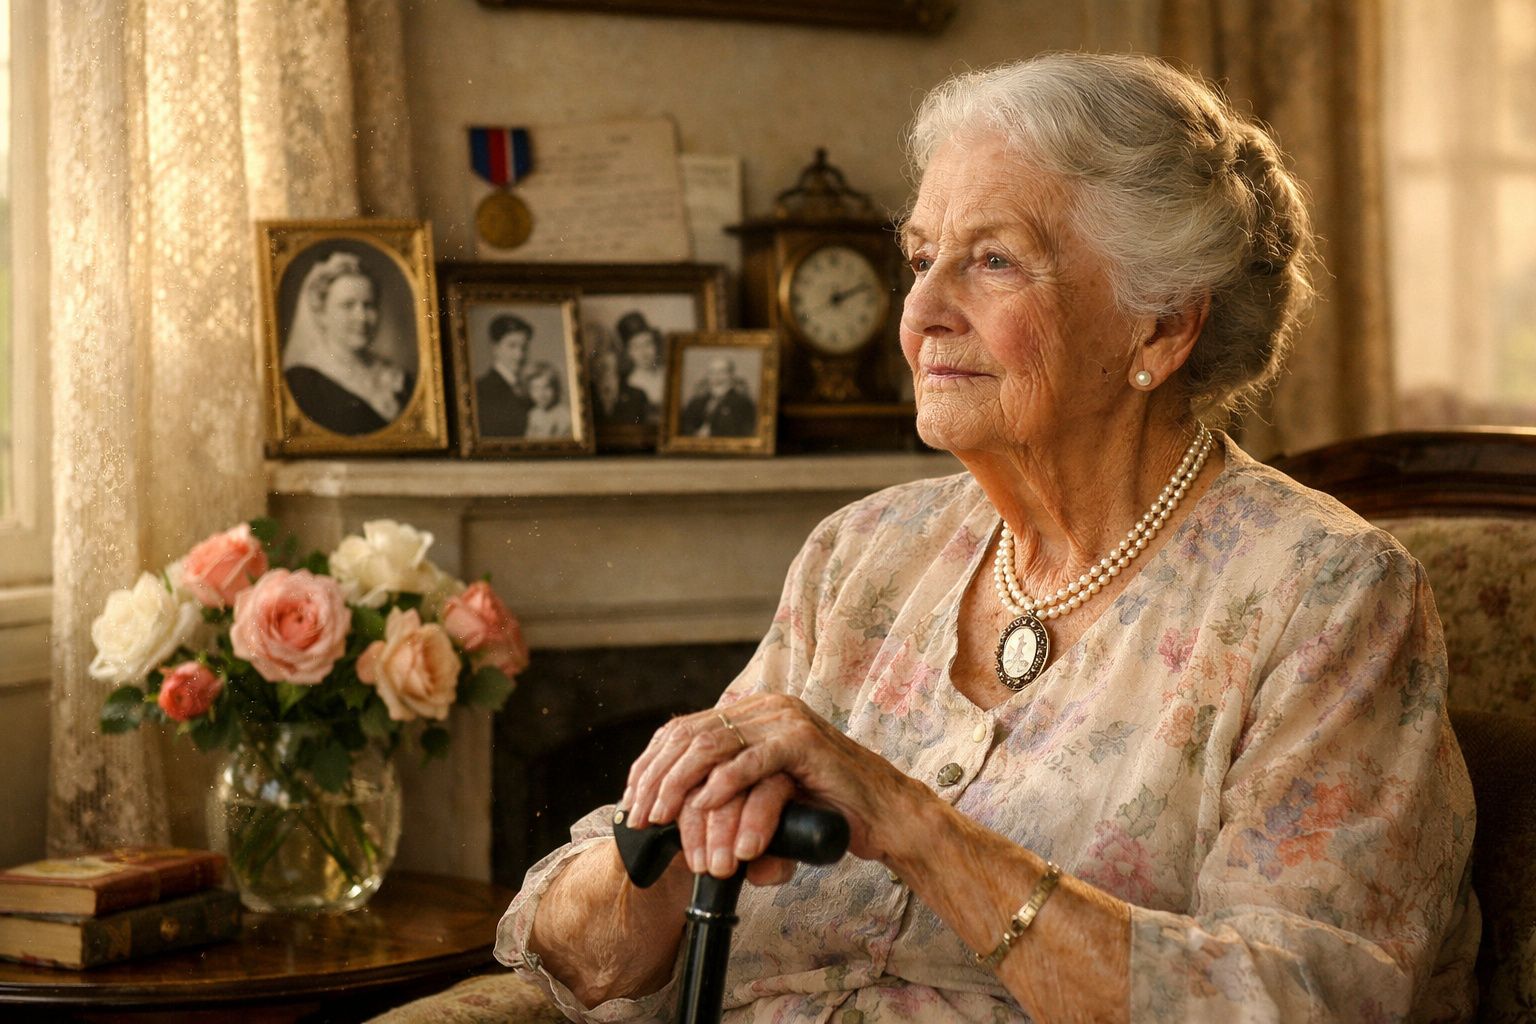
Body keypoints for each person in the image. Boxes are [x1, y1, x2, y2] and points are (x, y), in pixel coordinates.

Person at [497, 52, 1478, 1023]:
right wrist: (662, 847)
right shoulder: (866, 556)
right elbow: (582, 954)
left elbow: (1300, 999)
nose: (920, 312)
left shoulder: (1326, 593)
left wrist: (918, 827)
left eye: (993, 261)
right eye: (922, 258)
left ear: (1161, 327)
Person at [282, 251, 414, 436]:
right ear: (321, 313)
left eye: (369, 305)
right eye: (348, 305)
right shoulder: (303, 381)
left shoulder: (397, 379)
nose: (361, 317)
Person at [476, 313, 535, 437]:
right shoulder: (481, 389)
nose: (520, 355)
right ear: (495, 348)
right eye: (512, 346)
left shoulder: (531, 387)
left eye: (524, 347)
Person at [679, 355, 757, 438]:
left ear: (731, 375)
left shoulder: (743, 403)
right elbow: (684, 427)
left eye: (721, 372)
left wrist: (712, 434)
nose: (716, 377)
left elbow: (744, 433)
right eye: (712, 372)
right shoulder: (696, 402)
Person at [589, 335, 650, 428]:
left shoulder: (637, 396)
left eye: (608, 350)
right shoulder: (585, 396)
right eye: (598, 352)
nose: (603, 357)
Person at [616, 310, 667, 417]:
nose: (644, 353)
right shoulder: (628, 385)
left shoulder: (668, 373)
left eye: (647, 343)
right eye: (636, 347)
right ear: (628, 352)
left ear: (656, 344)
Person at [523, 361, 572, 439]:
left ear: (555, 388)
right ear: (529, 391)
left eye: (546, 387)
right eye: (535, 388)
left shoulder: (565, 416)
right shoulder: (533, 415)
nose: (541, 394)